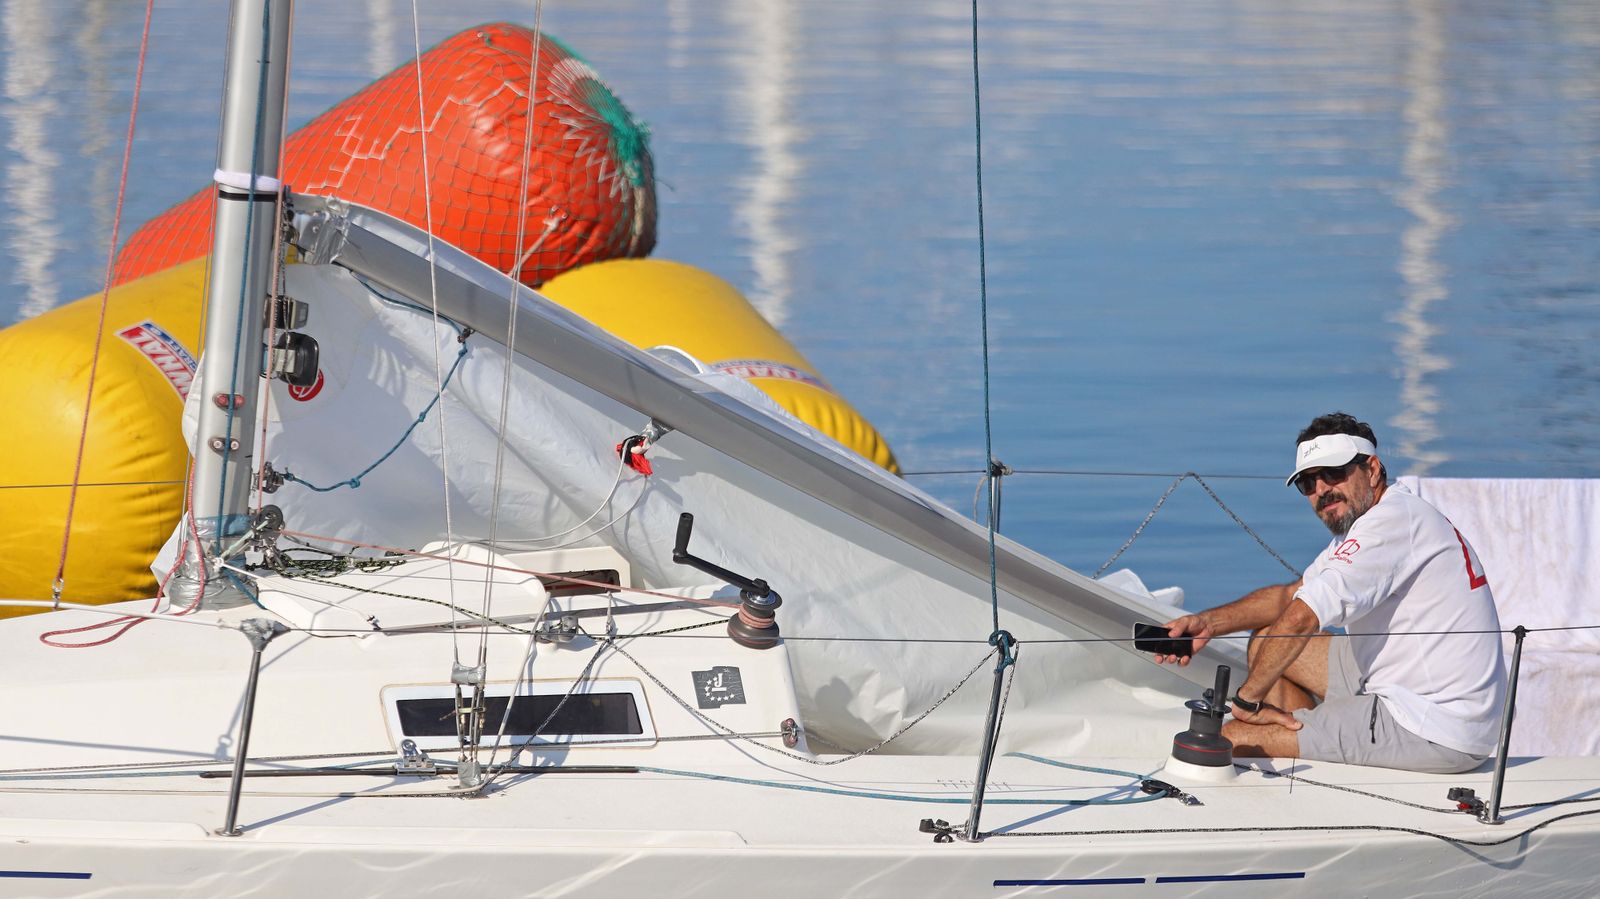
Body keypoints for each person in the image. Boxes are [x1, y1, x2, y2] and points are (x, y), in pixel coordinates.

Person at [1158, 412, 1506, 774]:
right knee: (1265, 642)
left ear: (1372, 469)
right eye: (1308, 483)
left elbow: (1302, 618)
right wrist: (1207, 623)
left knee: (1230, 738)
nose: (1322, 490)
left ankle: (1303, 740)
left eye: (1334, 473)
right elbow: (1289, 598)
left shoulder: (1388, 524)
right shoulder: (1377, 518)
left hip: (1434, 725)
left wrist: (1247, 702)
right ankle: (1307, 738)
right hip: (1409, 679)